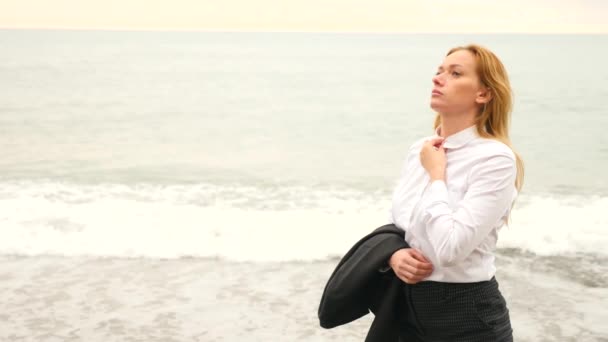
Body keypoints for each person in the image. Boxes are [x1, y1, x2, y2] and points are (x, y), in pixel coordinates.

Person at [387, 44, 524, 341]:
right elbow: (400, 225)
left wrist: (438, 175)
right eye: (439, 71)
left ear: (483, 94)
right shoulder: (421, 150)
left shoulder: (495, 159)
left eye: (455, 73)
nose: (438, 79)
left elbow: (450, 250)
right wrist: (395, 255)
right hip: (406, 311)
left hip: (467, 317)